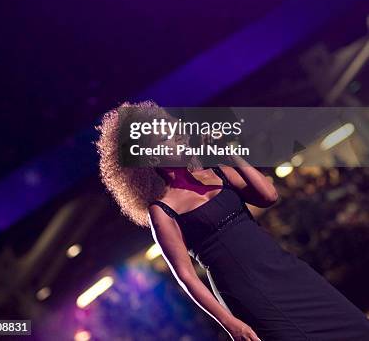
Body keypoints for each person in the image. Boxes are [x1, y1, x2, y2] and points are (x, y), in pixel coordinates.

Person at [95, 101, 369, 341]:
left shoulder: (218, 172)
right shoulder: (162, 210)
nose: (177, 138)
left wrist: (228, 151)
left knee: (356, 327)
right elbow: (187, 277)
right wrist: (229, 322)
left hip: (285, 269)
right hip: (250, 292)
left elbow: (269, 195)